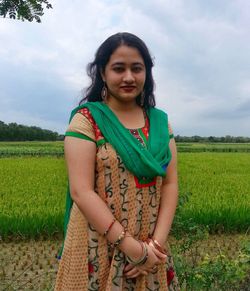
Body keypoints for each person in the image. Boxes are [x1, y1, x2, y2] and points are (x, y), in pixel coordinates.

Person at [55, 32, 179, 290]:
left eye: (137, 68)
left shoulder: (159, 123)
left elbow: (169, 184)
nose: (129, 77)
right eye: (118, 69)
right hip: (97, 243)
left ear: (147, 73)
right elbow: (81, 191)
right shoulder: (87, 121)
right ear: (102, 72)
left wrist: (154, 247)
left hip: (149, 247)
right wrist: (131, 247)